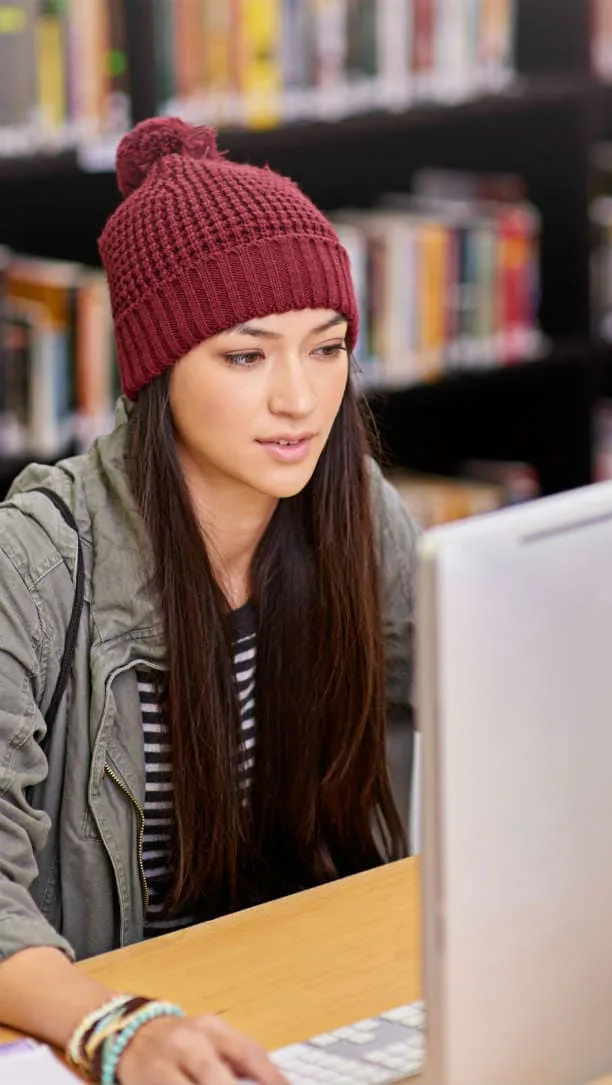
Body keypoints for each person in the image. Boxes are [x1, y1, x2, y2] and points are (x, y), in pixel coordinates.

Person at [0, 117, 417, 1085]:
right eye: (245, 355)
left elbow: (510, 712)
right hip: (110, 1018)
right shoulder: (36, 556)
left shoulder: (356, 512)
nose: (301, 401)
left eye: (328, 349)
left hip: (300, 995)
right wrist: (115, 1027)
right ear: (159, 372)